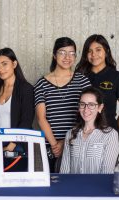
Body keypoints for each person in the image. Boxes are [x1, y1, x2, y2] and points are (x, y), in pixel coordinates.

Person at [34, 37, 91, 173]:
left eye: (72, 53)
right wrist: (55, 145)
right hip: (50, 147)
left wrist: (65, 142)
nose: (67, 57)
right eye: (62, 52)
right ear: (54, 55)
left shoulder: (83, 81)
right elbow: (41, 118)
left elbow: (89, 116)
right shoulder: (41, 83)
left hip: (76, 144)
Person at [75, 34, 119, 143]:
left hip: (107, 134)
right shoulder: (79, 77)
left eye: (98, 50)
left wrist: (114, 130)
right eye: (90, 51)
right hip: (83, 133)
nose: (94, 55)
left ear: (106, 51)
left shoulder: (117, 77)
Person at [0, 47, 34, 171]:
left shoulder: (26, 88)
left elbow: (26, 120)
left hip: (18, 145)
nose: (0, 69)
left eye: (4, 64)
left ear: (14, 64)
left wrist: (12, 144)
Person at [60, 87, 119, 174]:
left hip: (98, 187)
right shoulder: (70, 134)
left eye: (91, 105)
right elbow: (64, 171)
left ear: (100, 107)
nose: (86, 109)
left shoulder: (110, 135)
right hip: (73, 186)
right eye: (82, 104)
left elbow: (107, 173)